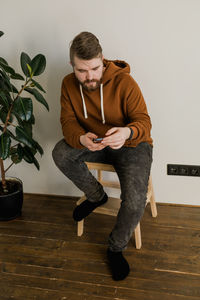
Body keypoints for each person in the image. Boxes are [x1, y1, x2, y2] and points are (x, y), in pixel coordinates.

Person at [52, 31, 153, 281]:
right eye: (82, 71)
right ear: (72, 65)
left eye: (95, 69)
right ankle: (97, 196)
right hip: (95, 141)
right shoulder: (67, 84)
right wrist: (81, 138)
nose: (90, 77)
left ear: (103, 59)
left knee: (134, 200)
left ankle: (116, 248)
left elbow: (144, 122)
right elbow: (67, 123)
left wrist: (127, 131)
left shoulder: (124, 82)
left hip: (132, 144)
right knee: (61, 153)